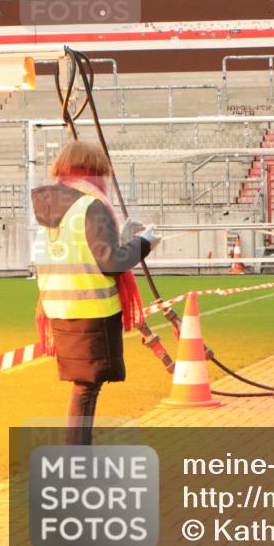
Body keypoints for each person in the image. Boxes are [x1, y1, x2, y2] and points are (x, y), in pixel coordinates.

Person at [31, 140, 161, 445]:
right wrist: (143, 243)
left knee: (85, 386)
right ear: (94, 170)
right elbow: (111, 262)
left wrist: (122, 237)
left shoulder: (51, 209)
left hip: (60, 309)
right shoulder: (91, 205)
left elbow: (82, 252)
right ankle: (76, 456)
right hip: (92, 310)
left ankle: (78, 452)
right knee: (86, 387)